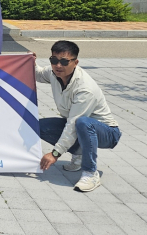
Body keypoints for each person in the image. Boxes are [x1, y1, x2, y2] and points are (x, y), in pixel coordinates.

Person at [36, 40, 121, 192]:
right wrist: (29, 60)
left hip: (107, 132)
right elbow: (39, 74)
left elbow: (73, 124)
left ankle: (90, 173)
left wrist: (55, 153)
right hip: (78, 125)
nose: (58, 65)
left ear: (75, 62)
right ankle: (79, 154)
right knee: (37, 126)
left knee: (83, 123)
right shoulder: (53, 73)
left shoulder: (85, 89)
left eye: (64, 61)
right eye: (54, 60)